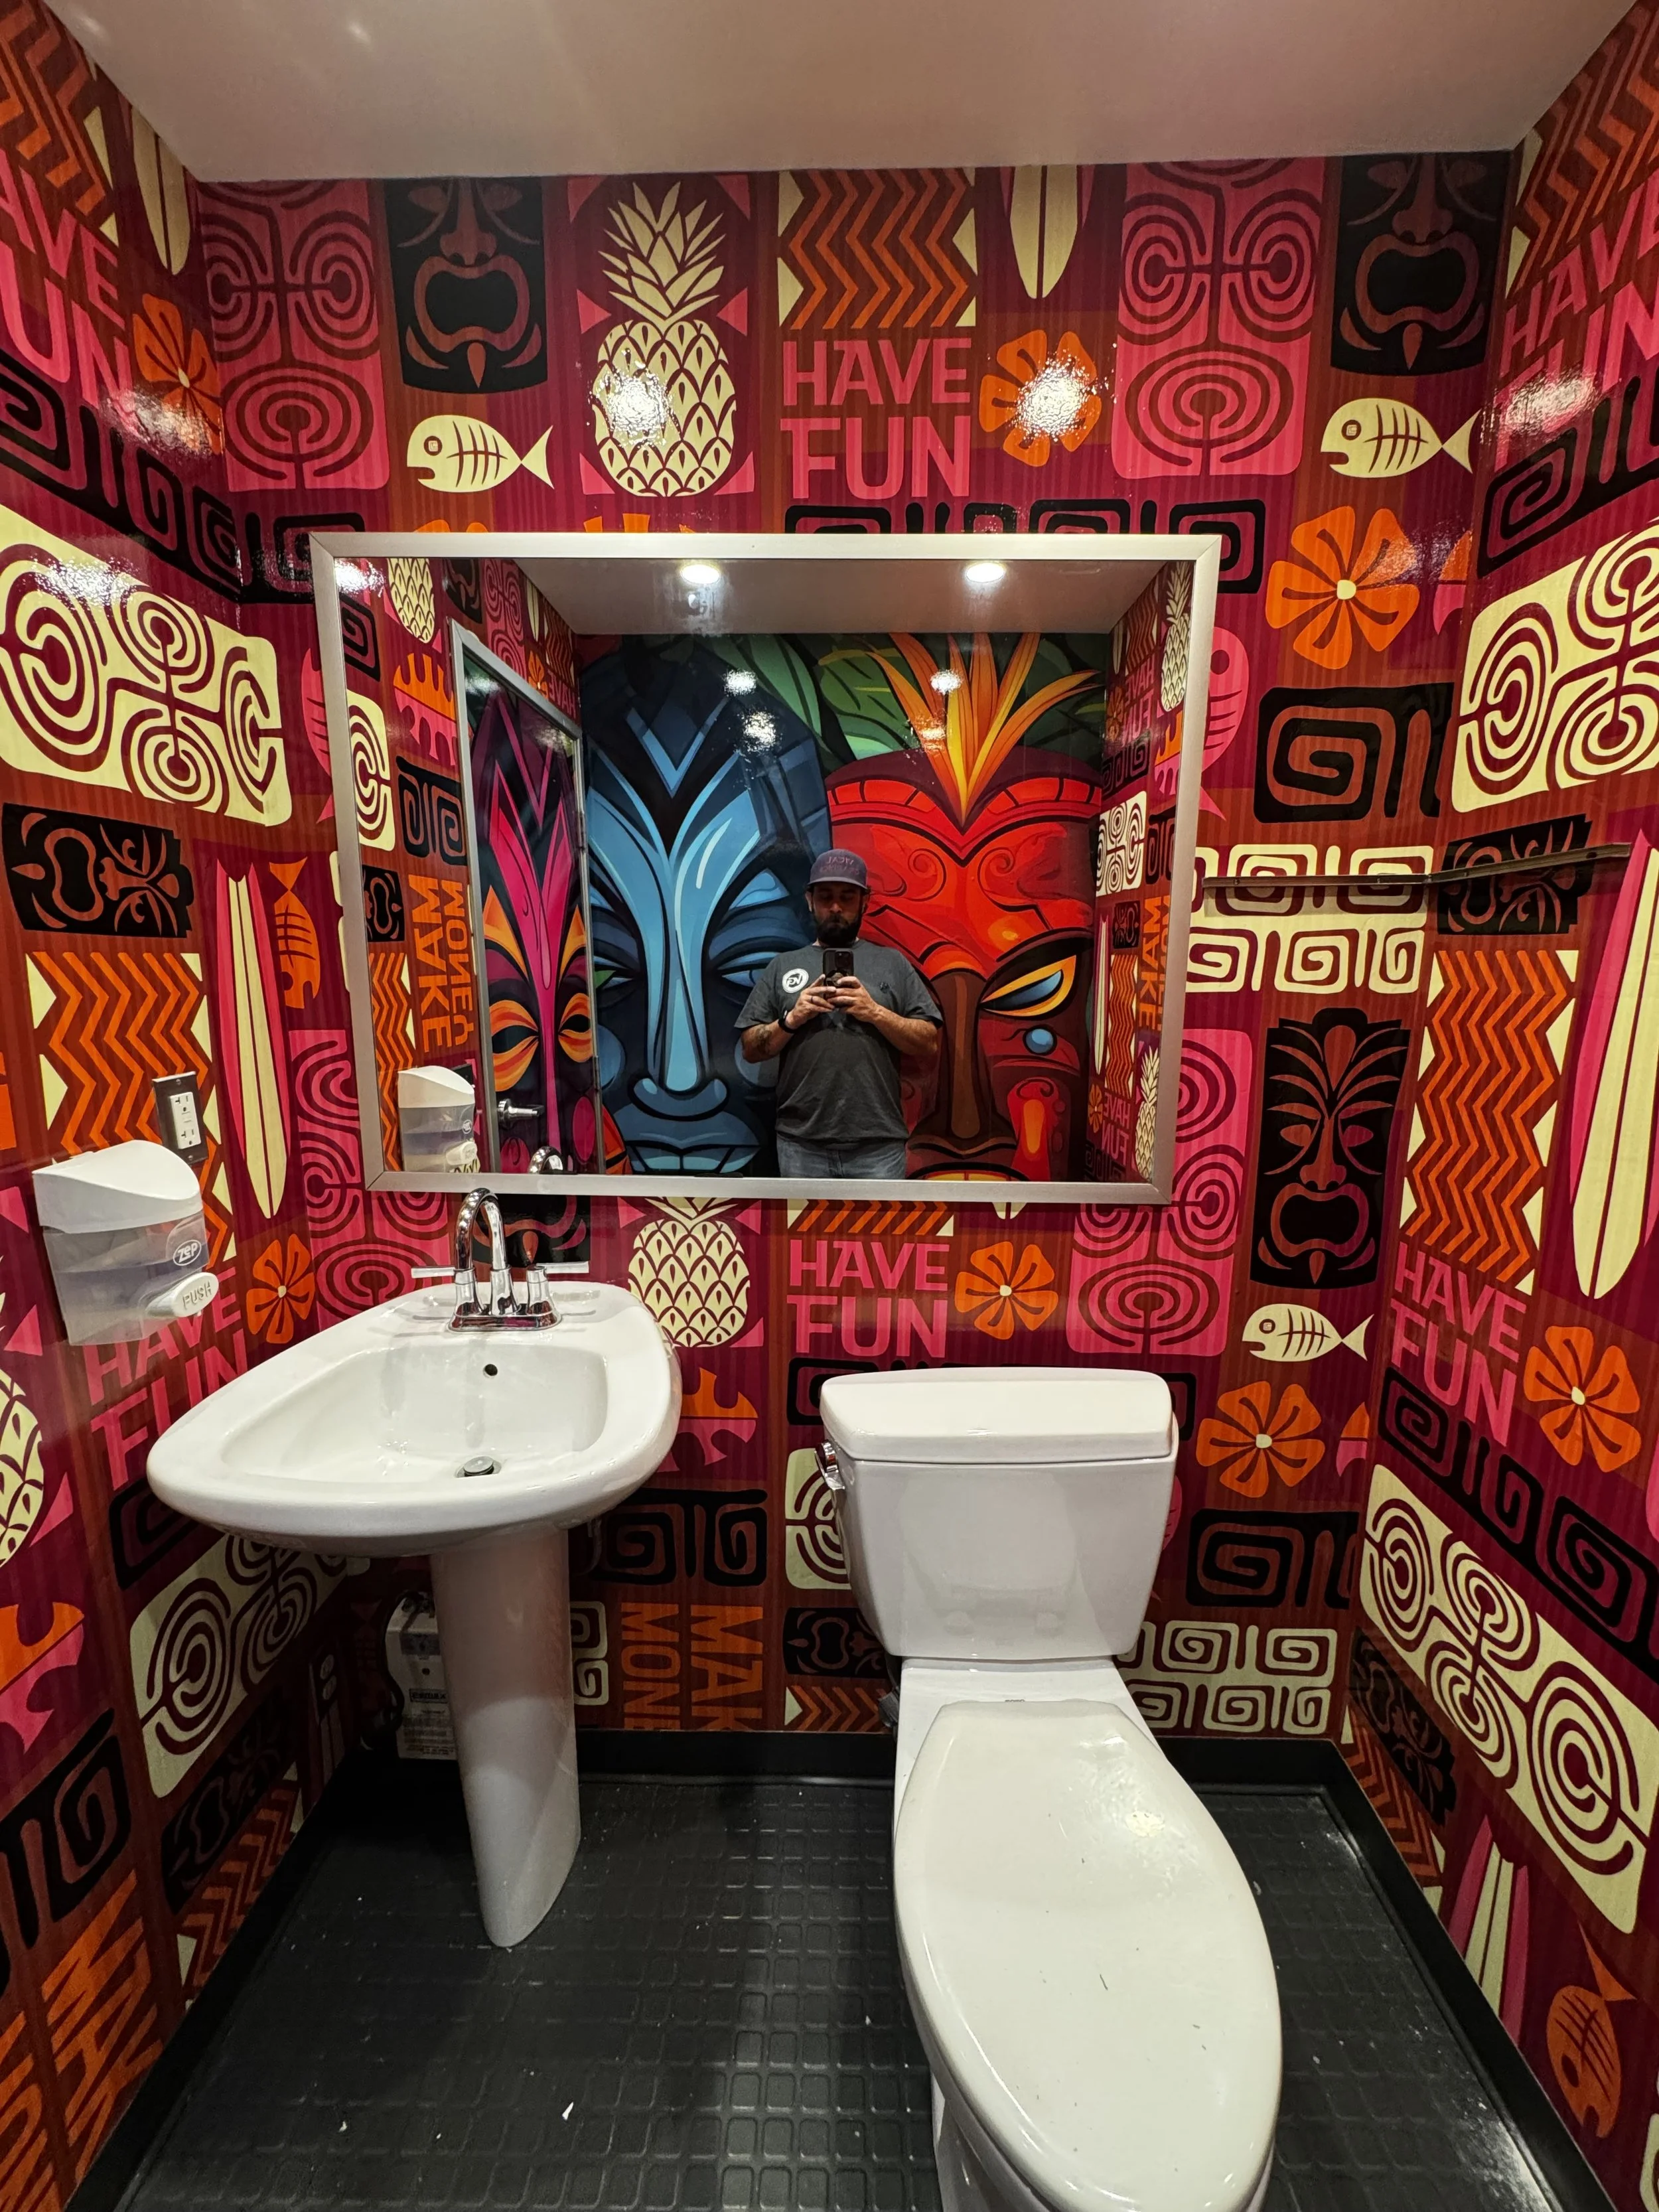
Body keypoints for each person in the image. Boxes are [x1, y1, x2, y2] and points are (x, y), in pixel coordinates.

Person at [737, 850, 941, 1179]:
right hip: (800, 1143)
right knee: (802, 1232)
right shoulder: (782, 966)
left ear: (865, 902)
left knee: (879, 1233)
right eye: (825, 897)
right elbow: (750, 1048)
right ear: (809, 900)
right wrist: (792, 1020)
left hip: (879, 1145)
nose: (835, 908)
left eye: (847, 897)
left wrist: (875, 1012)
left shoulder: (893, 963)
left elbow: (928, 1042)